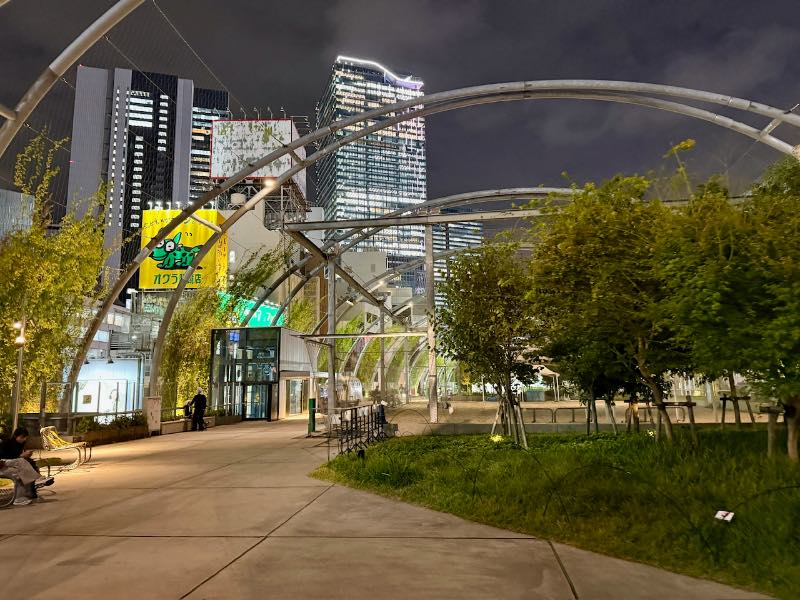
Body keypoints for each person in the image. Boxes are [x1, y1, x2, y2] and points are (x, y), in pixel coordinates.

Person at [0, 427, 53, 505]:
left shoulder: (19, 444)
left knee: (24, 468)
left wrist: (24, 456)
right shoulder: (7, 443)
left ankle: (20, 498)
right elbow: (5, 457)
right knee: (22, 464)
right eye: (22, 437)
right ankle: (37, 479)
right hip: (3, 465)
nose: (24, 439)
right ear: (15, 436)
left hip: (9, 465)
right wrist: (21, 455)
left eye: (25, 437)